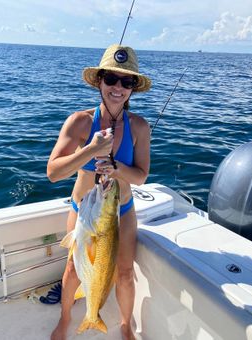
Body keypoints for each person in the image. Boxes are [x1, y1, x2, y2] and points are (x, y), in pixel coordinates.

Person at [47, 43, 151, 340]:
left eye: (126, 81)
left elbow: (141, 177)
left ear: (133, 88)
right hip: (85, 211)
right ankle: (66, 318)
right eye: (111, 79)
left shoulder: (140, 127)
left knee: (125, 273)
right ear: (99, 81)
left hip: (122, 212)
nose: (118, 87)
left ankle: (124, 325)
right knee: (72, 271)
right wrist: (90, 150)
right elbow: (53, 172)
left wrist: (116, 168)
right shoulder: (80, 122)